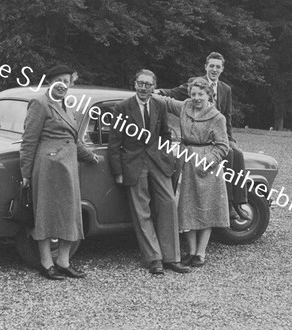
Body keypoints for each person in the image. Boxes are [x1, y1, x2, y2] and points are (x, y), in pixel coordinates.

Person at [20, 65, 101, 280]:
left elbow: (73, 138)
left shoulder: (66, 105)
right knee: (45, 214)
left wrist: (89, 155)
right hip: (48, 166)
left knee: (70, 214)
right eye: (59, 81)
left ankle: (63, 261)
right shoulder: (40, 103)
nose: (63, 85)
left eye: (67, 82)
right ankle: (46, 263)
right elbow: (28, 141)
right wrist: (25, 173)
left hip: (69, 168)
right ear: (50, 82)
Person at [107, 69, 190, 275]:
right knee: (141, 210)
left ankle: (172, 258)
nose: (144, 88)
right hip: (133, 164)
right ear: (134, 84)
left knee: (169, 203)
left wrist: (167, 159)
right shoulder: (123, 107)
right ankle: (154, 259)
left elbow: (164, 135)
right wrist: (118, 171)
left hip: (157, 161)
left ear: (154, 87)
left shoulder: (159, 105)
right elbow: (114, 142)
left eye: (148, 85)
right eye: (140, 83)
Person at [157, 52, 253, 222]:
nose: (214, 69)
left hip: (218, 131)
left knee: (236, 153)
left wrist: (230, 139)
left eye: (218, 67)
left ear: (222, 69)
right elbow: (174, 93)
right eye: (211, 66)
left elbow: (227, 116)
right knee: (228, 155)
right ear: (206, 67)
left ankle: (238, 201)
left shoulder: (225, 89)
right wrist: (157, 91)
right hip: (200, 134)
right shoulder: (195, 84)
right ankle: (227, 203)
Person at [155, 77, 229, 266]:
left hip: (207, 166)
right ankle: (191, 250)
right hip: (185, 159)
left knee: (205, 209)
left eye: (200, 94)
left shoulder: (217, 117)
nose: (196, 98)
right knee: (186, 207)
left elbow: (222, 147)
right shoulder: (185, 106)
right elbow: (168, 102)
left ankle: (201, 254)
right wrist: (152, 92)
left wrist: (207, 161)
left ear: (209, 95)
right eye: (193, 94)